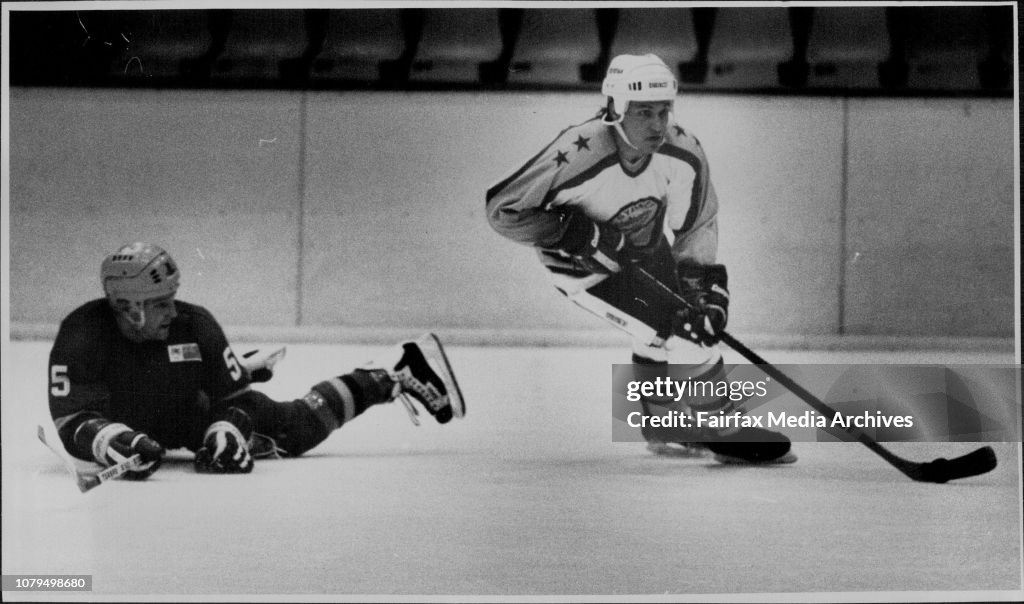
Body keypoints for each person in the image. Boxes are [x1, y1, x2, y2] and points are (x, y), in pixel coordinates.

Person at [485, 53, 794, 464]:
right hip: (583, 270)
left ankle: (662, 424)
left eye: (664, 110)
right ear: (615, 109)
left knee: (675, 324)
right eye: (644, 112)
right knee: (677, 328)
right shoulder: (578, 152)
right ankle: (721, 426)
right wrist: (576, 234)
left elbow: (696, 226)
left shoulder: (683, 152)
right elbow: (502, 209)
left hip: (648, 253)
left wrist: (704, 289)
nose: (657, 124)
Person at [48, 242, 465, 478]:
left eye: (172, 300)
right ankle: (240, 364)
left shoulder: (196, 324)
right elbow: (71, 418)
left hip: (187, 410)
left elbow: (239, 403)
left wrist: (228, 427)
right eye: (159, 304)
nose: (173, 313)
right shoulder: (81, 333)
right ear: (125, 306)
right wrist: (109, 442)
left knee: (294, 429)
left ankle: (391, 371)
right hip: (146, 416)